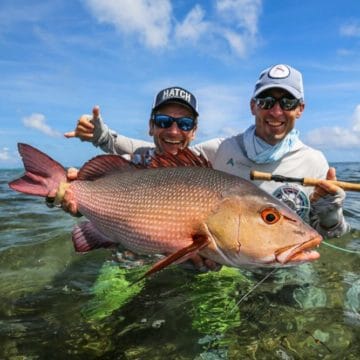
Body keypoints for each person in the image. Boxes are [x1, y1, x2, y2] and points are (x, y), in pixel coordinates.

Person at [65, 65, 350, 239]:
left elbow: (327, 235)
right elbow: (160, 155)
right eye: (266, 101)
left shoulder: (316, 162)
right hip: (229, 256)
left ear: (301, 108)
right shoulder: (222, 149)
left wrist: (331, 214)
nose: (276, 111)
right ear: (253, 106)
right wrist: (105, 139)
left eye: (288, 102)